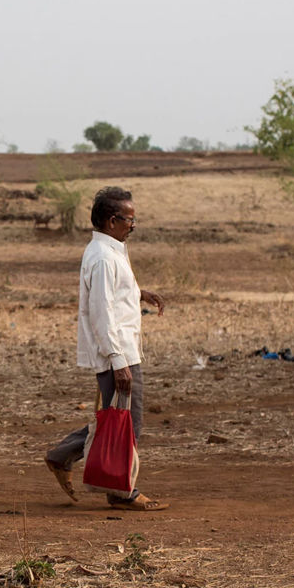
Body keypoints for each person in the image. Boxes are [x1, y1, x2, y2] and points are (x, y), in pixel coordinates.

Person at [44, 187, 168, 511]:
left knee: (114, 418)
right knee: (127, 422)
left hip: (122, 350)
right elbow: (101, 311)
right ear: (112, 220)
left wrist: (138, 293)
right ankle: (121, 491)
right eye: (129, 219)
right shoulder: (102, 257)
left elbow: (112, 296)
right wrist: (118, 360)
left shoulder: (110, 250)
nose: (133, 225)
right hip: (119, 353)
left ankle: (62, 456)